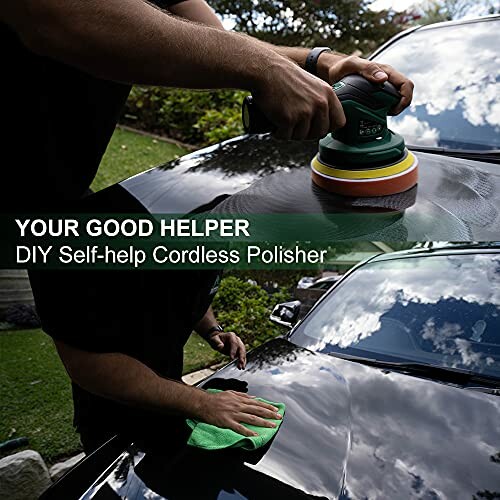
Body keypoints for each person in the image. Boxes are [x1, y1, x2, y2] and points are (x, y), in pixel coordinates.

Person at [2, 0, 414, 452]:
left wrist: (320, 61)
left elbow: (216, 40)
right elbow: (88, 364)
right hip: (115, 418)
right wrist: (198, 403)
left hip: (166, 398)